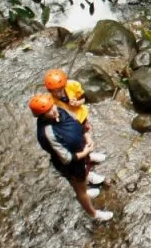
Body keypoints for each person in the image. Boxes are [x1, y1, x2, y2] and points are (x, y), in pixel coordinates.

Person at [30, 93, 113, 222]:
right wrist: (86, 152)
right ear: (42, 116)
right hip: (71, 165)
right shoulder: (47, 133)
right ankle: (94, 214)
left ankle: (87, 184)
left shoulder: (59, 111)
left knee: (85, 173)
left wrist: (87, 136)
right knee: (79, 189)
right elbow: (67, 158)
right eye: (48, 111)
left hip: (81, 153)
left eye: (52, 107)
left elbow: (75, 124)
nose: (54, 111)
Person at [44, 68, 106, 165]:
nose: (58, 94)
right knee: (77, 141)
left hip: (81, 116)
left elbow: (84, 98)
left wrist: (78, 103)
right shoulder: (50, 101)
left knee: (86, 134)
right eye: (54, 91)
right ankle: (85, 158)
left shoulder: (73, 85)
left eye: (60, 90)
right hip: (70, 123)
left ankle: (89, 155)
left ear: (64, 85)